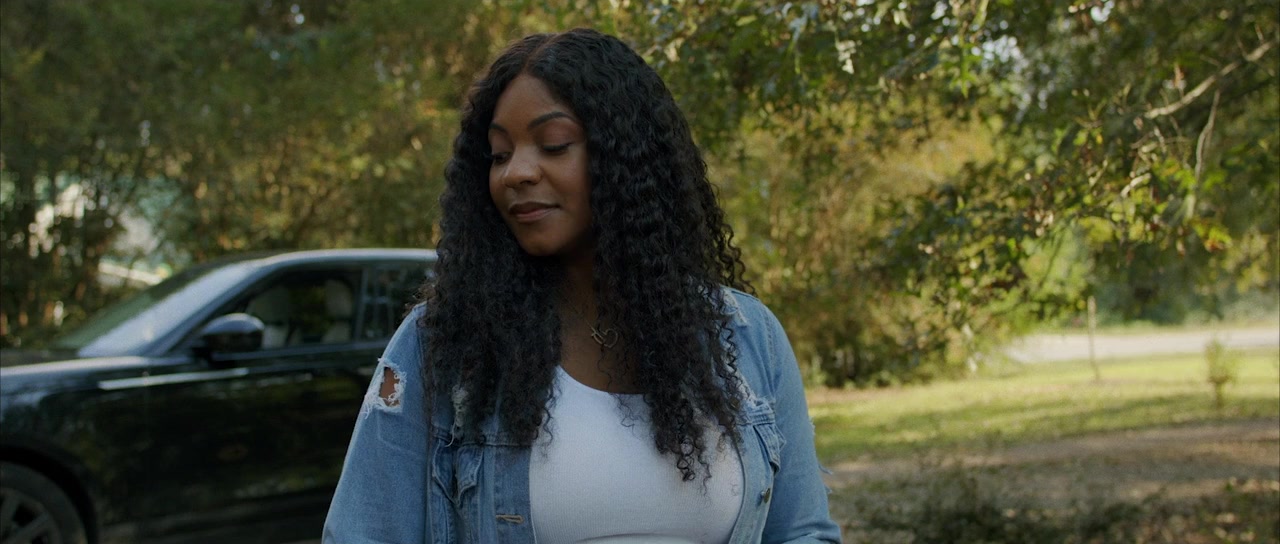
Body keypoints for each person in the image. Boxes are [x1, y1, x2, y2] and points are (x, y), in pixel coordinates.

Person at [323, 28, 841, 543]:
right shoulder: (442, 347)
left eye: (553, 145)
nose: (516, 173)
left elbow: (802, 533)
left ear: (628, 158)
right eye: (499, 154)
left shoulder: (748, 337)